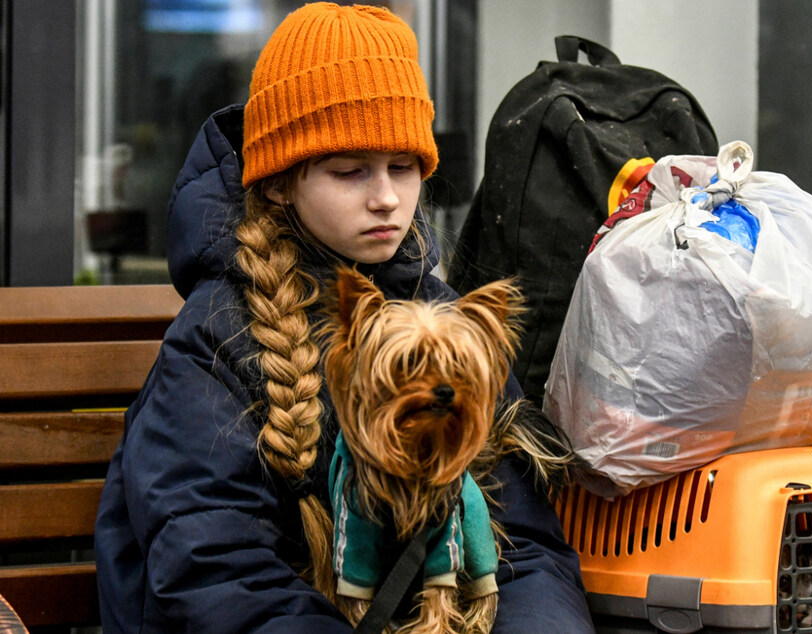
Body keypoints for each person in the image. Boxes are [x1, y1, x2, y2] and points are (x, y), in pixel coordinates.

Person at [94, 3, 594, 632]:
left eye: (404, 167)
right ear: (279, 183)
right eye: (350, 171)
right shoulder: (216, 339)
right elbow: (214, 572)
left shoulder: (442, 320)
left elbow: (527, 551)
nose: (386, 197)